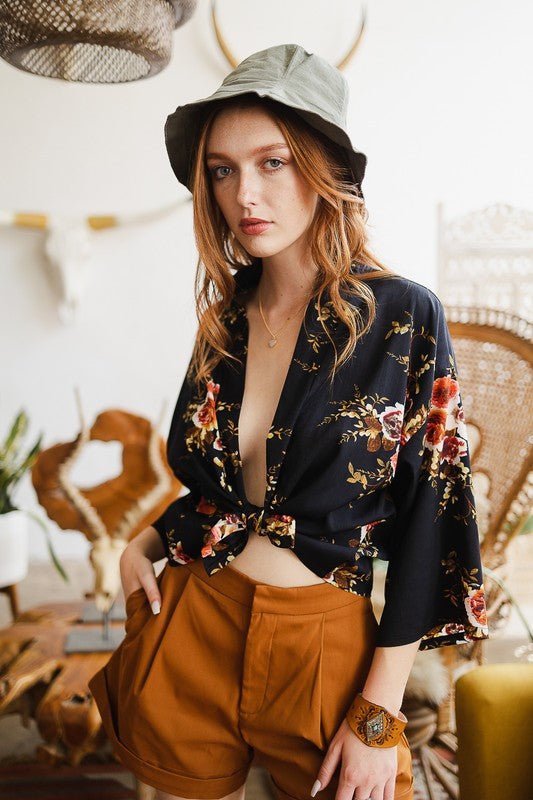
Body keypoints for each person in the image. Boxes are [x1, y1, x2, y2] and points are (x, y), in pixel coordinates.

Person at [88, 43, 488, 800]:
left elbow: (431, 517)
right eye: (223, 169)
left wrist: (378, 712)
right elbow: (229, 486)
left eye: (273, 162)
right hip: (193, 618)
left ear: (323, 168)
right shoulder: (226, 321)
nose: (245, 193)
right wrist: (143, 538)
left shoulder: (401, 315)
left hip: (322, 644)